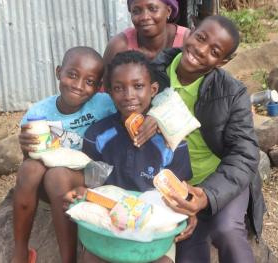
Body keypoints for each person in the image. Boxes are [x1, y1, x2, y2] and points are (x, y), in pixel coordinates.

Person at [149, 15, 266, 263]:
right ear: (190, 32)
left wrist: (206, 195)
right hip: (173, 184)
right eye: (200, 38)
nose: (201, 51)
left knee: (227, 231)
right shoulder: (151, 73)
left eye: (214, 51)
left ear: (223, 61)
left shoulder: (232, 92)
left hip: (219, 178)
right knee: (188, 247)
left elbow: (244, 154)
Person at [63, 50, 193, 263]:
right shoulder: (97, 135)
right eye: (119, 88)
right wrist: (80, 193)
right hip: (107, 228)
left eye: (138, 86)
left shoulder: (172, 140)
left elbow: (180, 189)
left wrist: (187, 211)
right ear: (109, 93)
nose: (129, 95)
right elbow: (89, 185)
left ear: (153, 90)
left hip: (153, 232)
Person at [11, 46, 117, 263]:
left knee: (56, 175)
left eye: (89, 81)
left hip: (89, 179)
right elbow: (29, 162)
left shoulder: (106, 105)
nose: (78, 86)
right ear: (59, 72)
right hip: (49, 186)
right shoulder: (38, 113)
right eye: (72, 75)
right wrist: (25, 148)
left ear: (99, 87)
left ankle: (68, 259)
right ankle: (20, 250)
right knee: (30, 169)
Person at [102, 0, 190, 65]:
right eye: (136, 11)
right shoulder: (119, 46)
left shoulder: (186, 40)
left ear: (168, 11)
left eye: (152, 9)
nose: (145, 17)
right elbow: (105, 78)